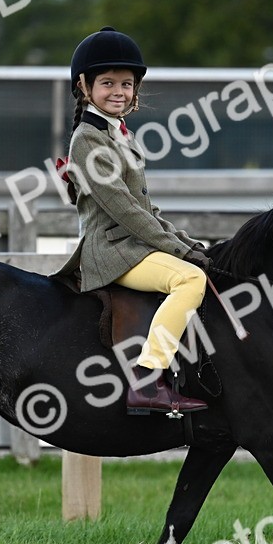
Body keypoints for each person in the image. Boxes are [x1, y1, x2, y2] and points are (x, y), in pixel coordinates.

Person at [56, 27, 209, 416]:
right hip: (110, 250)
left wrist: (188, 244)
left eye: (126, 83)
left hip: (132, 244)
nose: (119, 91)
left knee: (197, 264)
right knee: (190, 279)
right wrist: (179, 253)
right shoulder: (87, 140)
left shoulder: (123, 134)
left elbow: (148, 211)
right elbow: (124, 210)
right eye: (107, 83)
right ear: (85, 86)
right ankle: (146, 379)